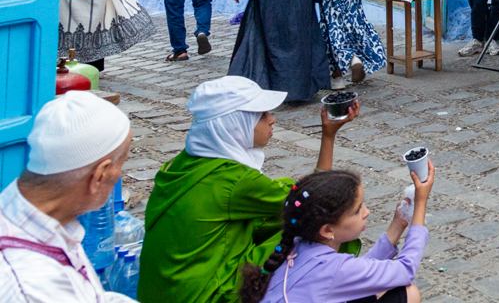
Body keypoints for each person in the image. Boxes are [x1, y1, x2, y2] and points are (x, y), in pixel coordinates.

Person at [139, 76, 360, 303]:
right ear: (236, 126)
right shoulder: (235, 180)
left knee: (283, 213)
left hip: (166, 290)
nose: (272, 120)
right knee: (330, 223)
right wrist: (329, 136)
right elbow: (313, 201)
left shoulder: (182, 163)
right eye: (263, 116)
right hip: (204, 294)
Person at [0, 90, 134, 302]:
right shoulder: (31, 288)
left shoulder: (40, 220)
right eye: (121, 163)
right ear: (99, 175)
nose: (119, 175)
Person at [239, 166, 433, 303]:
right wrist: (420, 205)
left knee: (376, 288)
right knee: (409, 293)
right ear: (327, 230)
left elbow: (360, 273)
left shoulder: (299, 245)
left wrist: (397, 225)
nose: (367, 212)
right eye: (357, 210)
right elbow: (406, 270)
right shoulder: (333, 269)